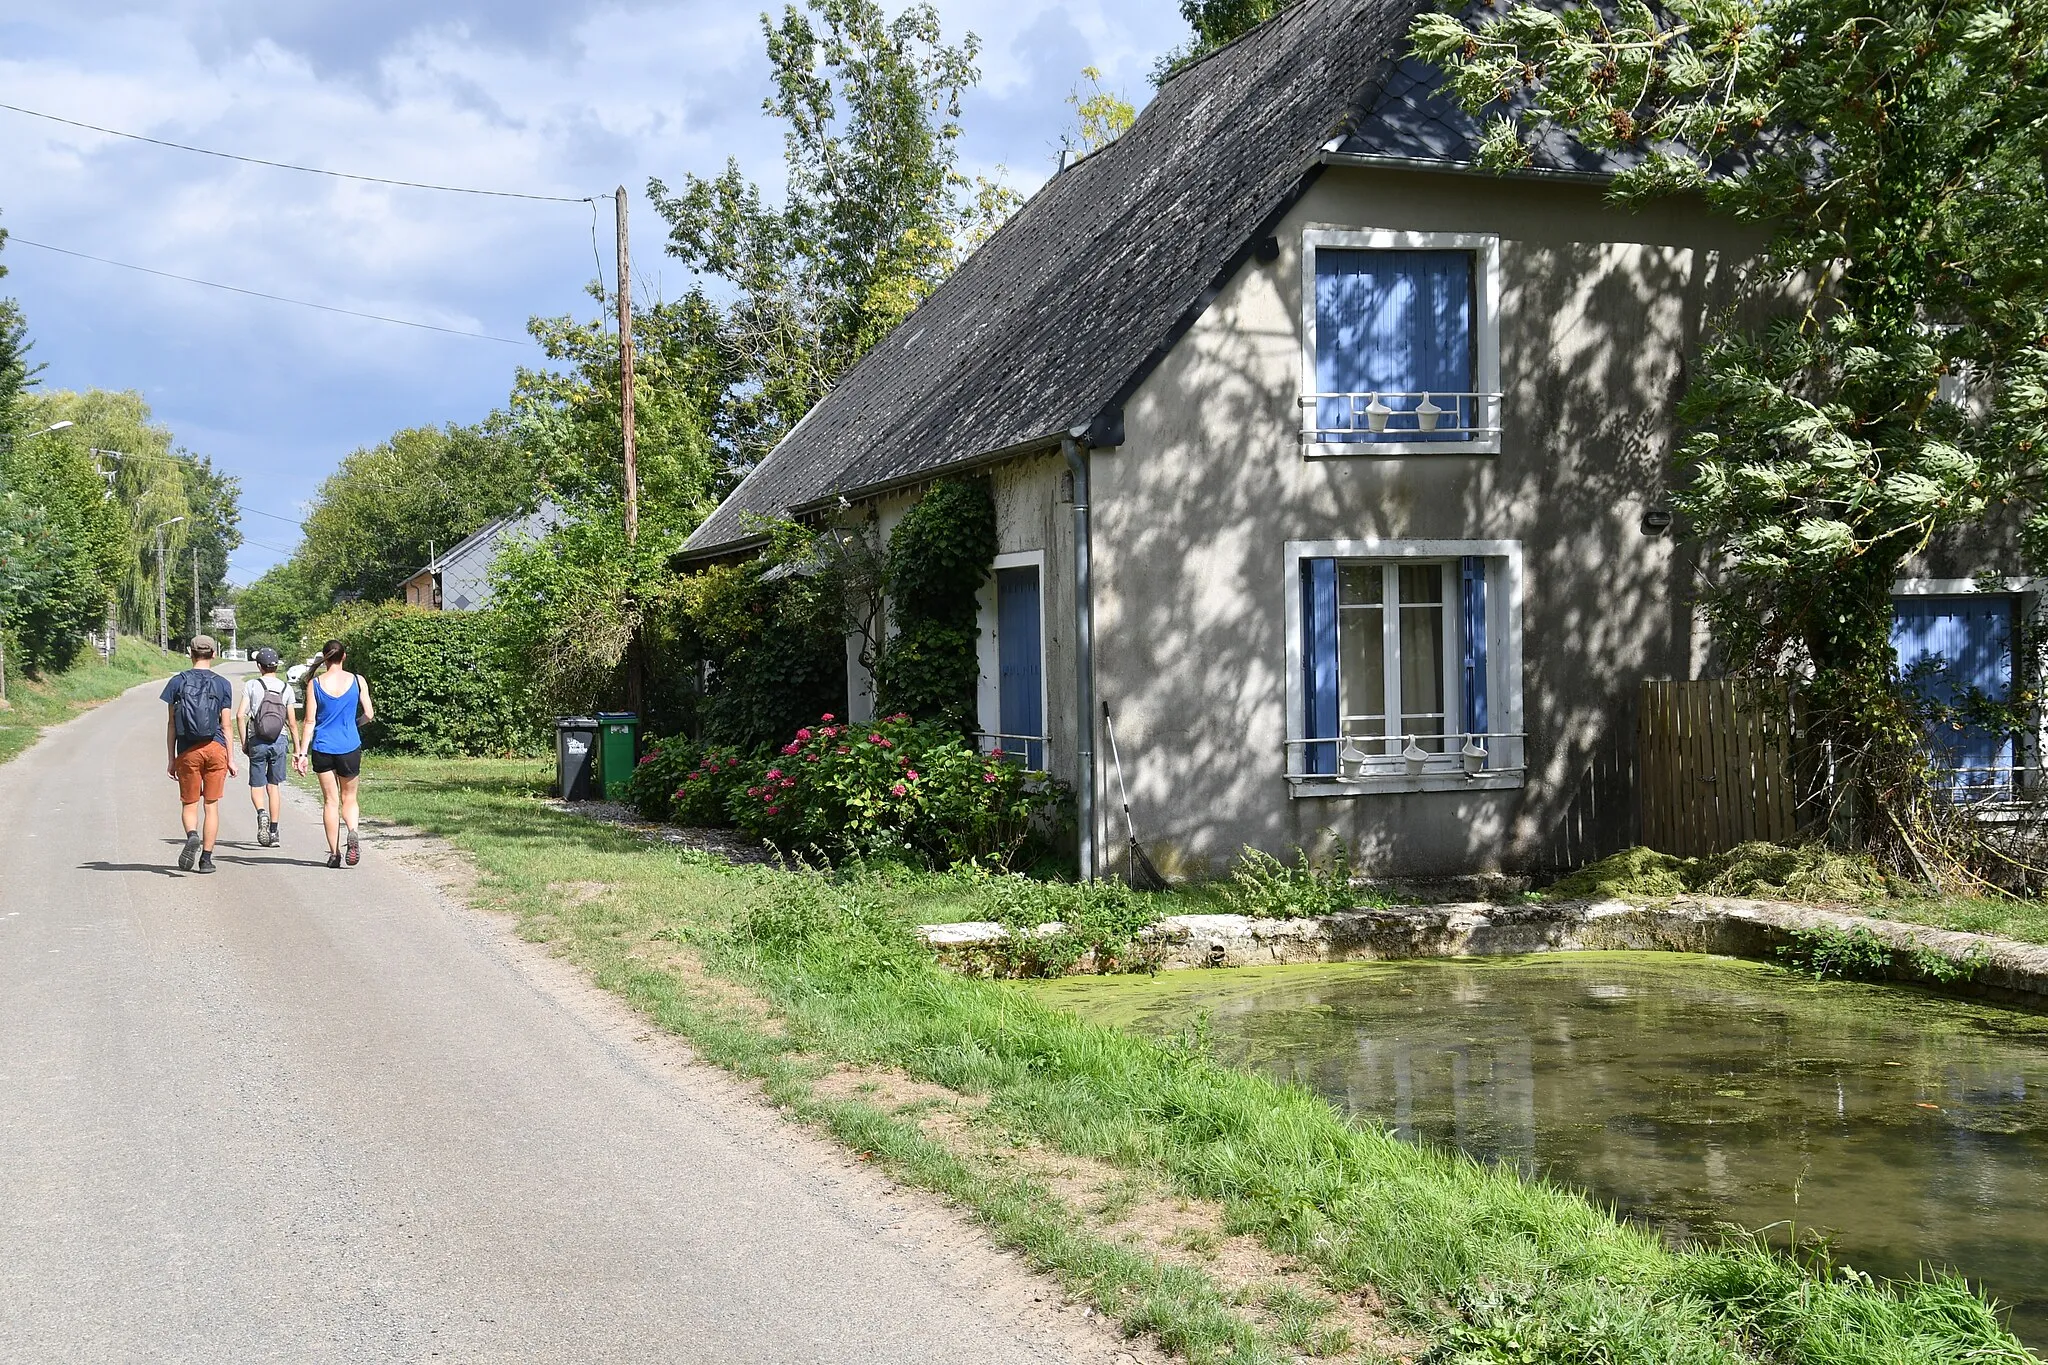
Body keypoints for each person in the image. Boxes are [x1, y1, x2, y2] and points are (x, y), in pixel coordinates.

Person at [160, 634, 237, 873]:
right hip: (215, 749)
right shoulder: (223, 684)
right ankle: (206, 859)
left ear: (190, 653)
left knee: (190, 803)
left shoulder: (177, 682)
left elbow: (172, 723)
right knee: (211, 806)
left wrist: (172, 758)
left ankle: (192, 835)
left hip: (187, 750)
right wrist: (231, 758)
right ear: (213, 654)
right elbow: (226, 725)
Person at [298, 638, 373, 869]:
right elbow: (369, 714)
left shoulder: (315, 684)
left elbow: (309, 721)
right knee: (349, 798)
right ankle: (352, 831)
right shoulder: (358, 681)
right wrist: (354, 725)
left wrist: (302, 753)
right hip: (350, 745)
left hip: (323, 747)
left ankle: (334, 854)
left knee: (330, 801)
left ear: (325, 658)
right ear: (344, 656)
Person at [234, 646, 300, 847]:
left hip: (257, 739)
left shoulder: (252, 685)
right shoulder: (286, 688)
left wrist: (245, 742)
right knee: (274, 786)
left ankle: (261, 813)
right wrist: (297, 749)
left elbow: (240, 715)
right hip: (279, 740)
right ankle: (273, 830)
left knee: (257, 784)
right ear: (277, 666)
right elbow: (292, 722)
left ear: (259, 666)